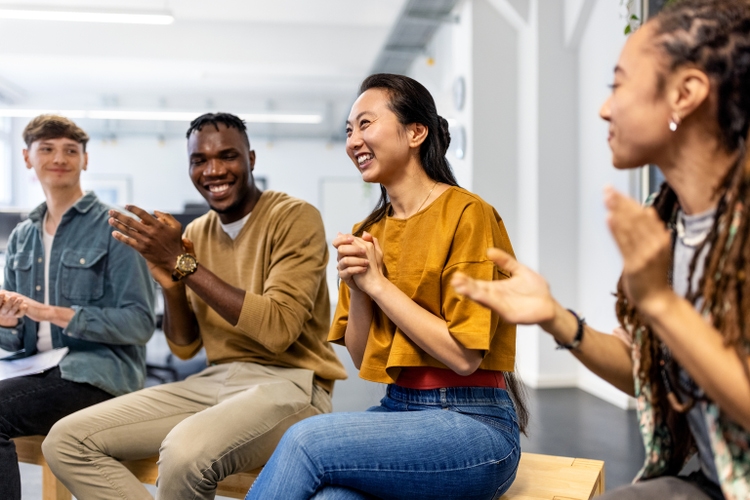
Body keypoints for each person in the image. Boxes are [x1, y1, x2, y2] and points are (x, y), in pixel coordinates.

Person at [452, 1, 750, 499]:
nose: (604, 108)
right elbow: (647, 375)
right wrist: (556, 318)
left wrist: (659, 302)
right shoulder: (665, 219)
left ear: (686, 93)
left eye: (618, 84)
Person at [246, 74, 528, 500]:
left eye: (365, 124)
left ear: (416, 132)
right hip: (400, 409)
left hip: (475, 424)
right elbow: (363, 358)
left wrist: (377, 285)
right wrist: (359, 290)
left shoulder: (469, 214)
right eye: (348, 130)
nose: (353, 140)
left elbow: (464, 355)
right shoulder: (368, 232)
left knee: (306, 441)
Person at [43, 112, 347, 499]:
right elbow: (184, 346)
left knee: (185, 452)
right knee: (67, 440)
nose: (213, 170)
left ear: (251, 159)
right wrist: (172, 286)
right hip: (216, 381)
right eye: (199, 160)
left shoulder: (293, 216)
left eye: (228, 156)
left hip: (292, 383)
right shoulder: (196, 232)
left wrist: (184, 264)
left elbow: (277, 330)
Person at [0, 115, 156, 499]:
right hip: (36, 371)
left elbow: (139, 324)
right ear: (26, 158)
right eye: (47, 149)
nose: (60, 158)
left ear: (85, 160)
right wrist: (6, 323)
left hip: (96, 376)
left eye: (71, 150)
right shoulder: (22, 237)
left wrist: (50, 312)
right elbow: (15, 338)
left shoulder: (117, 227)